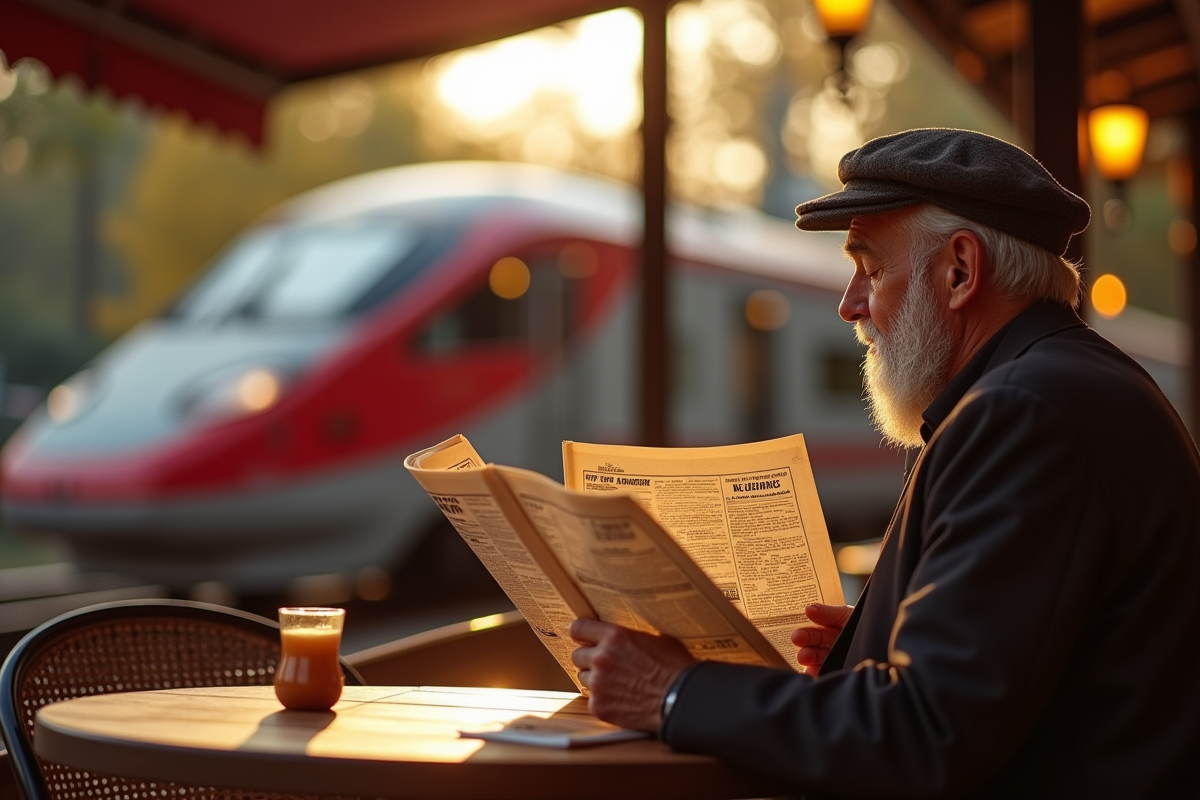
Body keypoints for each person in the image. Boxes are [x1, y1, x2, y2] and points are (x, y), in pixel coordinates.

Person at [569, 128, 1200, 798]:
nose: (850, 304)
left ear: (960, 270)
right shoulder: (1058, 385)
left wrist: (672, 691)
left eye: (870, 269)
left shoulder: (1022, 412)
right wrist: (874, 642)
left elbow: (927, 734)